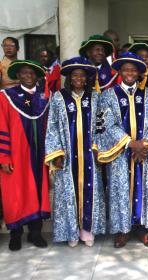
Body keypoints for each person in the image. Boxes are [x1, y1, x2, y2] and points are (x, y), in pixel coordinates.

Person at [97, 52, 148, 248]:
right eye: (126, 69)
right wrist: (132, 144)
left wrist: (144, 145)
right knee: (120, 189)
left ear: (139, 73)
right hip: (120, 153)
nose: (130, 73)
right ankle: (122, 230)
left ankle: (143, 229)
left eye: (134, 69)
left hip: (145, 153)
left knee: (145, 189)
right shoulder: (108, 95)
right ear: (120, 71)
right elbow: (106, 124)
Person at [45, 56, 106, 247]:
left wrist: (98, 148)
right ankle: (71, 231)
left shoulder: (96, 97)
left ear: (87, 78)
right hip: (68, 155)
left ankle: (87, 231)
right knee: (68, 193)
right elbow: (52, 125)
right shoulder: (58, 97)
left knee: (91, 191)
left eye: (82, 75)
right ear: (69, 78)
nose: (78, 78)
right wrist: (56, 152)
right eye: (75, 75)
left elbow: (101, 125)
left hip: (90, 154)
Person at [0, 60, 51, 251]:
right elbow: (1, 128)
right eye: (24, 72)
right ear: (17, 75)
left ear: (37, 76)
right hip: (16, 155)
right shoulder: (6, 96)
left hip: (40, 155)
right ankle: (16, 234)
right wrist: (3, 157)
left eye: (32, 73)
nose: (28, 75)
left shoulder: (45, 97)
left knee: (38, 191)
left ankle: (35, 233)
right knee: (16, 194)